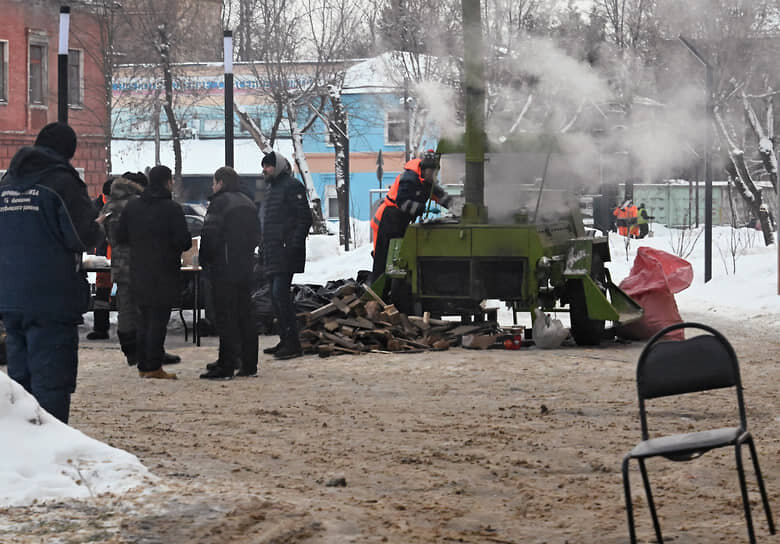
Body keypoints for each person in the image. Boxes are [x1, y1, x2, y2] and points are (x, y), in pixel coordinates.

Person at [0, 122, 104, 423]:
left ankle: (24, 451)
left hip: (10, 295)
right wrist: (98, 227)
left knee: (20, 384)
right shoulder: (62, 183)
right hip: (50, 296)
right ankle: (50, 451)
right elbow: (81, 235)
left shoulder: (7, 183)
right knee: (51, 381)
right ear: (68, 151)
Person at [116, 165, 191, 379]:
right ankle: (153, 366)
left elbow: (121, 236)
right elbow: (184, 241)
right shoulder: (172, 208)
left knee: (143, 319)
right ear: (167, 182)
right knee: (158, 320)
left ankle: (143, 365)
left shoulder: (132, 207)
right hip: (165, 270)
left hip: (139, 269)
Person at [198, 166, 261, 379]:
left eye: (214, 182)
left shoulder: (220, 203)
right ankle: (249, 363)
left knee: (225, 316)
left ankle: (226, 364)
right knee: (245, 314)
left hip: (223, 268)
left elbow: (210, 235)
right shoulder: (249, 202)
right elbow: (256, 235)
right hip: (245, 267)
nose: (212, 186)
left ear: (221, 183)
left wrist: (205, 261)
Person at [258, 151, 312, 360]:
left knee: (281, 296)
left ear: (277, 167)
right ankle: (286, 340)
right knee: (275, 297)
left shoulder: (292, 186)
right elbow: (267, 221)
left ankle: (293, 344)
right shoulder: (270, 188)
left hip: (285, 251)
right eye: (264, 166)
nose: (265, 170)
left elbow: (304, 218)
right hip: (273, 250)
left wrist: (293, 242)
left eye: (268, 166)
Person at [370, 150, 456, 282]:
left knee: (397, 257)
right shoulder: (409, 178)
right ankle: (377, 293)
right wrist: (423, 209)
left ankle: (390, 289)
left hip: (401, 220)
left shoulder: (426, 181)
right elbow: (402, 202)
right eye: (431, 172)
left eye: (435, 173)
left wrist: (457, 207)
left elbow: (440, 196)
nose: (433, 175)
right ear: (424, 169)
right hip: (389, 218)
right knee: (384, 258)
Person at [86, 177, 115, 340]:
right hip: (103, 255)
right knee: (102, 291)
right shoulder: (95, 207)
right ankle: (100, 328)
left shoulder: (122, 206)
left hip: (120, 253)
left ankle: (131, 329)